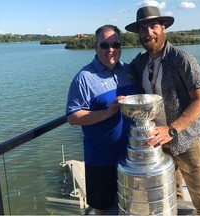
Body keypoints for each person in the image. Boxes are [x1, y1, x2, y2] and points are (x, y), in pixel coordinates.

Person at [126, 6, 200, 215]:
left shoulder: (183, 60)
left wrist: (171, 130)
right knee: (168, 197)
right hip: (157, 143)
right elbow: (121, 77)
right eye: (143, 29)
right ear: (138, 34)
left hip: (186, 140)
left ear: (163, 27)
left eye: (153, 26)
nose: (148, 33)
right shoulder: (139, 62)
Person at [65, 24, 137, 215]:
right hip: (101, 159)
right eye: (104, 45)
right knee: (102, 209)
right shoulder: (84, 78)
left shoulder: (128, 71)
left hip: (131, 157)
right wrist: (106, 113)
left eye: (116, 44)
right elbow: (73, 117)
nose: (111, 50)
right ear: (95, 47)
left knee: (131, 205)